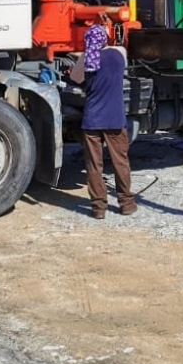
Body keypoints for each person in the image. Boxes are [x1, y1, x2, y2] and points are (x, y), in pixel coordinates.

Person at [70, 23, 136, 219]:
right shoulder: (119, 54)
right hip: (115, 119)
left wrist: (80, 55)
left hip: (92, 121)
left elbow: (75, 77)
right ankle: (126, 204)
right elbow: (119, 46)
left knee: (94, 166)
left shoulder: (86, 59)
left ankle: (99, 209)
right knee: (120, 162)